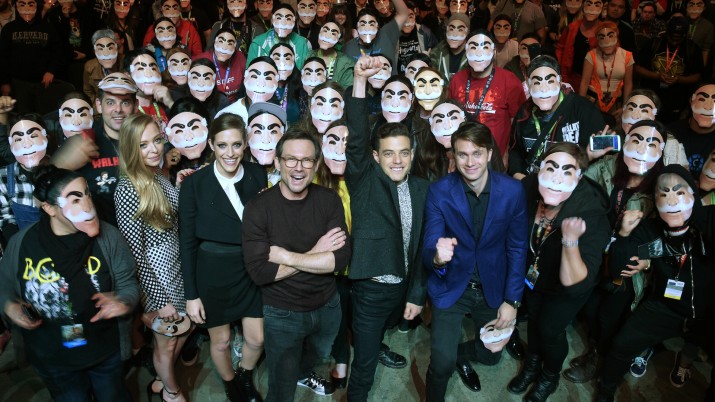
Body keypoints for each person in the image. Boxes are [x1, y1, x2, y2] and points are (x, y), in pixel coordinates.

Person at [0, 164, 140, 402]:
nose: (87, 206)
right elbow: (4, 288)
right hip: (53, 358)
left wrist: (124, 301)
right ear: (49, 208)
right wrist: (9, 307)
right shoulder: (22, 244)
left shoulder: (109, 237)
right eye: (75, 200)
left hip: (104, 352)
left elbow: (129, 284)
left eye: (87, 195)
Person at [242, 129, 351, 401]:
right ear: (277, 162)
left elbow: (339, 259)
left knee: (316, 356)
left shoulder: (329, 200)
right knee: (282, 388)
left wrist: (287, 257)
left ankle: (303, 373)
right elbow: (260, 272)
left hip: (327, 308)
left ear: (316, 164)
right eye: (290, 159)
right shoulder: (258, 207)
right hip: (282, 313)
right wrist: (317, 253)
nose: (298, 168)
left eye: (306, 160)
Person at [423, 121, 528, 400]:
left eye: (477, 153)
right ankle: (444, 364)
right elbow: (430, 244)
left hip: (492, 288)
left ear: (490, 153)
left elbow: (517, 248)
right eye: (462, 154)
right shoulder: (439, 191)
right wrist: (437, 256)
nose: (470, 162)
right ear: (453, 156)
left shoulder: (513, 191)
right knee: (441, 365)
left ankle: (455, 355)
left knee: (491, 355)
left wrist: (512, 301)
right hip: (452, 287)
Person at [345, 55, 429, 402]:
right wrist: (360, 81)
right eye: (389, 153)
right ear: (376, 157)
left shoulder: (422, 189)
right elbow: (356, 137)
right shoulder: (365, 180)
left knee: (383, 336)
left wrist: (416, 295)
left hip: (403, 288)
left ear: (411, 155)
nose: (397, 160)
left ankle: (380, 343)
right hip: (370, 291)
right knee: (363, 364)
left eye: (404, 153)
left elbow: (423, 248)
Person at [595, 165, 715, 402]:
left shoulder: (708, 219)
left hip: (710, 310)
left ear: (692, 195)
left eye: (679, 192)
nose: (672, 200)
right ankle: (605, 391)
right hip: (665, 306)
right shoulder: (650, 231)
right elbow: (618, 269)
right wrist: (624, 234)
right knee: (622, 344)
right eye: (664, 193)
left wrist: (696, 214)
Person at [563, 120, 667, 384]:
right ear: (625, 142)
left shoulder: (661, 189)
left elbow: (668, 236)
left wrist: (647, 262)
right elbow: (571, 183)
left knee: (609, 313)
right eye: (637, 140)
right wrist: (588, 156)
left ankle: (598, 355)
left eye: (652, 144)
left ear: (661, 151)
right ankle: (594, 341)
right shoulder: (608, 167)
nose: (642, 149)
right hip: (595, 251)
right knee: (588, 306)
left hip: (626, 264)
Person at [507, 142, 610, 402]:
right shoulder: (530, 187)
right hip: (536, 276)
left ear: (579, 177)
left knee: (550, 330)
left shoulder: (591, 213)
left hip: (569, 287)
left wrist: (570, 240)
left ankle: (549, 377)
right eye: (551, 168)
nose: (556, 178)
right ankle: (532, 366)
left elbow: (575, 282)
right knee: (534, 321)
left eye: (567, 171)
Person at [179, 112, 266, 402]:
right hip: (213, 271)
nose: (230, 153)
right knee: (221, 341)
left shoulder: (257, 174)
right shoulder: (194, 184)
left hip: (250, 268)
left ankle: (244, 374)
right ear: (211, 145)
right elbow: (187, 242)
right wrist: (191, 295)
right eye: (222, 145)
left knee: (257, 338)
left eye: (237, 145)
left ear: (246, 144)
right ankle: (230, 383)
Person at [114, 114, 189, 402]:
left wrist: (177, 185)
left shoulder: (157, 174)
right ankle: (171, 391)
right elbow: (135, 252)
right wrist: (159, 299)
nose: (154, 149)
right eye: (143, 145)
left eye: (157, 140)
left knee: (185, 328)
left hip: (175, 265)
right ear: (130, 148)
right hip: (157, 275)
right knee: (167, 342)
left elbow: (169, 214)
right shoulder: (127, 188)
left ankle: (161, 378)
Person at [50, 72, 138, 225]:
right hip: (102, 231)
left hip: (142, 228)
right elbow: (41, 200)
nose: (118, 109)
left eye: (125, 102)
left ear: (135, 106)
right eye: (110, 102)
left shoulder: (144, 138)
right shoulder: (82, 142)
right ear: (98, 105)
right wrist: (60, 166)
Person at [508, 55, 606, 179]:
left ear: (559, 82)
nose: (544, 89)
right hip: (531, 183)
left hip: (571, 184)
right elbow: (516, 150)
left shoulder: (584, 110)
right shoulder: (524, 113)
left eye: (550, 81)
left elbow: (601, 158)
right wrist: (520, 177)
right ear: (528, 84)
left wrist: (589, 156)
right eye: (537, 82)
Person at [448, 29, 526, 155]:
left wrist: (508, 152)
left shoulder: (510, 80)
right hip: (463, 155)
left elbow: (517, 122)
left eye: (485, 48)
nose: (479, 53)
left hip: (496, 157)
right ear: (466, 52)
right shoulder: (457, 79)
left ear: (494, 52)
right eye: (473, 47)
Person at [0, 0, 66, 114]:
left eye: (30, 4)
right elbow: (3, 57)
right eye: (22, 4)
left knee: (45, 116)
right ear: (17, 7)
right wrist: (5, 82)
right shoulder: (9, 29)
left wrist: (51, 70)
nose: (27, 8)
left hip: (44, 83)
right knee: (24, 117)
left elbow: (58, 51)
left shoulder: (48, 28)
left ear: (36, 6)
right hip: (18, 83)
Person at [579, 21, 634, 116]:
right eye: (602, 37)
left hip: (616, 103)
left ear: (616, 36)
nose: (607, 41)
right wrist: (580, 106)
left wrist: (625, 107)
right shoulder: (591, 55)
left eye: (610, 36)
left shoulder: (626, 56)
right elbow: (584, 82)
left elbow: (628, 84)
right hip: (592, 101)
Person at [343, 0, 411, 67]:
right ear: (357, 27)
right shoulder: (348, 47)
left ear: (377, 27)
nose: (367, 29)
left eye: (371, 24)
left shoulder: (387, 37)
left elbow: (403, 14)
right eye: (363, 24)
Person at [556, 0, 603, 92]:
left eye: (596, 5)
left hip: (596, 81)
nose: (592, 8)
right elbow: (560, 48)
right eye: (589, 4)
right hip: (572, 78)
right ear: (583, 6)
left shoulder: (606, 30)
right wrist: (562, 69)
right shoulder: (572, 27)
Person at [246, 4, 311, 70]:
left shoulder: (303, 43)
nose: (283, 23)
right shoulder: (257, 43)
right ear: (273, 20)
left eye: (288, 19)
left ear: (293, 22)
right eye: (279, 18)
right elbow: (250, 71)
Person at [195, 28, 247, 103]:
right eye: (221, 41)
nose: (224, 47)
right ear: (214, 42)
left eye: (230, 43)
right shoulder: (201, 60)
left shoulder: (240, 57)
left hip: (234, 103)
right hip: (210, 103)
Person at [83, 29, 122, 104]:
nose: (106, 53)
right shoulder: (90, 67)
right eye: (100, 49)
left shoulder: (128, 62)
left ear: (116, 48)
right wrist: (98, 107)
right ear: (94, 52)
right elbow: (88, 92)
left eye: (110, 48)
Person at [429, 13, 469, 80]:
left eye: (460, 30)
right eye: (451, 29)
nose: (454, 34)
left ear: (467, 32)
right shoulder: (436, 52)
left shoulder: (473, 53)